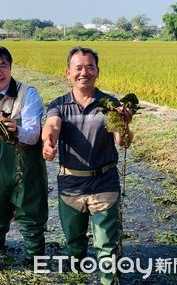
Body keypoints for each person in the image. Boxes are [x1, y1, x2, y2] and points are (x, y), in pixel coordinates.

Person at [42, 46, 134, 284]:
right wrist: (48, 140)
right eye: (78, 67)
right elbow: (52, 125)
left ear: (97, 72)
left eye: (90, 67)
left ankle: (107, 281)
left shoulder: (110, 104)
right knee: (74, 242)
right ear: (68, 72)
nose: (84, 72)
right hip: (71, 183)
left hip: (104, 182)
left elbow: (122, 141)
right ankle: (77, 277)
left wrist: (124, 125)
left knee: (106, 245)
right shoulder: (59, 104)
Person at [0, 44, 48, 262]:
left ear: (11, 67)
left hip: (27, 170)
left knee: (32, 220)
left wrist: (15, 130)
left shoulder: (28, 94)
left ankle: (36, 265)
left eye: (2, 66)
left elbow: (33, 135)